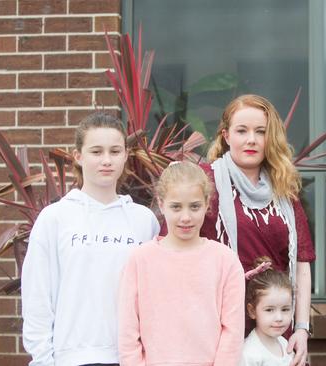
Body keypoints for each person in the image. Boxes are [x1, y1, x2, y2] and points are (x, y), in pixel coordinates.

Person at [21, 112, 160, 366]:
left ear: (125, 156)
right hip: (71, 358)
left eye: (115, 151)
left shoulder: (144, 221)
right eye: (96, 152)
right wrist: (43, 361)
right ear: (78, 156)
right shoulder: (55, 218)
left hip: (130, 358)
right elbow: (37, 298)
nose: (106, 160)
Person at [204, 94, 315, 366]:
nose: (251, 139)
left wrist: (301, 328)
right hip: (221, 323)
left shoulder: (284, 189)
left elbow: (301, 264)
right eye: (242, 131)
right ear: (226, 135)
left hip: (275, 324)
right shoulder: (206, 182)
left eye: (260, 131)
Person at [117, 161, 245, 366]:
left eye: (194, 207)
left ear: (206, 203)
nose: (186, 217)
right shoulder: (140, 261)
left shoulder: (225, 261)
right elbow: (128, 331)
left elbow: (232, 331)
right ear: (161, 203)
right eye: (176, 207)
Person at [240, 257, 294, 366]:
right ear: (252, 311)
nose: (279, 318)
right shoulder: (249, 354)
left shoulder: (284, 344)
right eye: (269, 310)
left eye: (285, 309)